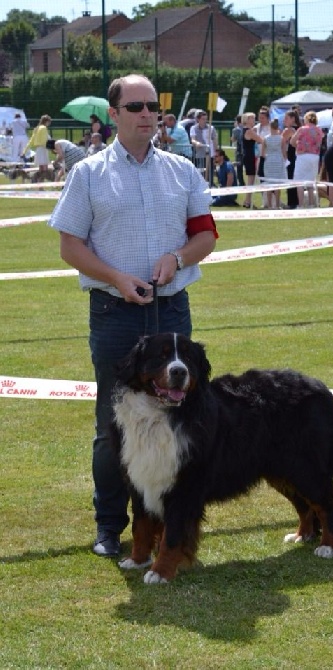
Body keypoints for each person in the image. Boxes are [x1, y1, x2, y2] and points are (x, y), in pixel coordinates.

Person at [49, 73, 218, 558]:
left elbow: (206, 235)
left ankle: (170, 525)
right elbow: (69, 245)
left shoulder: (182, 169)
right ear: (116, 114)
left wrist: (180, 259)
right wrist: (118, 277)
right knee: (113, 426)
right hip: (114, 314)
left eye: (153, 107)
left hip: (171, 316)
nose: (148, 114)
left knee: (178, 419)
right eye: (137, 106)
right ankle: (109, 527)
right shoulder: (88, 174)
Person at [290, 110, 323, 208]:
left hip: (302, 156)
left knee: (299, 181)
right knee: (311, 181)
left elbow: (292, 142)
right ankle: (311, 204)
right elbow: (319, 144)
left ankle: (300, 205)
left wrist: (299, 145)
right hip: (314, 156)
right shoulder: (319, 130)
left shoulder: (302, 129)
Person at [241, 111, 263, 208]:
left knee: (251, 179)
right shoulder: (249, 131)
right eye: (252, 118)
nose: (254, 120)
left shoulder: (247, 130)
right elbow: (260, 140)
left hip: (248, 155)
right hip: (250, 155)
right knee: (251, 179)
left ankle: (247, 200)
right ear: (247, 120)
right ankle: (247, 201)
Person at [263, 119, 287, 209]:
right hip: (278, 160)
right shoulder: (281, 138)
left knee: (269, 183)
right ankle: (277, 205)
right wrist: (285, 161)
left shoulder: (266, 138)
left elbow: (262, 153)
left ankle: (269, 205)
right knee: (277, 184)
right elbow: (284, 152)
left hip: (269, 160)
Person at [190, 109, 218, 185]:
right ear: (198, 119)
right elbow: (193, 139)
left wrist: (216, 152)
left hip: (210, 153)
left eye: (206, 119)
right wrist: (197, 143)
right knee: (201, 172)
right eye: (203, 119)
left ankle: (211, 186)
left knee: (210, 172)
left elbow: (215, 140)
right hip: (200, 154)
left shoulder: (211, 128)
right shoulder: (193, 128)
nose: (205, 121)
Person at [282, 109, 301, 209]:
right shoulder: (300, 128)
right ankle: (296, 201)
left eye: (286, 118)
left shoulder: (289, 130)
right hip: (298, 156)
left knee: (291, 178)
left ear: (293, 119)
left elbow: (281, 142)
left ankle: (292, 202)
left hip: (291, 156)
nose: (284, 120)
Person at [255, 106, 271, 207]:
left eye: (263, 118)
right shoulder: (257, 127)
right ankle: (264, 201)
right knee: (261, 177)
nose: (261, 120)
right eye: (259, 117)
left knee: (269, 179)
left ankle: (271, 202)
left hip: (269, 156)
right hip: (260, 156)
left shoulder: (270, 127)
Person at [230, 114, 245, 186]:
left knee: (239, 167)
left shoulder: (236, 129)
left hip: (240, 150)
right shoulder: (247, 128)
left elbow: (233, 140)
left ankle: (241, 182)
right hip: (246, 148)